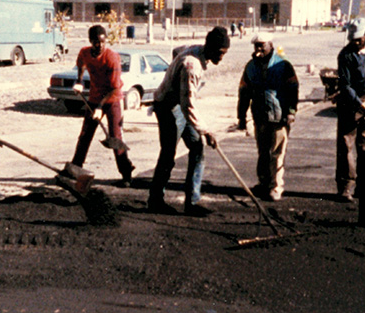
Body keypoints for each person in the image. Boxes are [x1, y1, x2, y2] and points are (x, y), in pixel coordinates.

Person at [148, 26, 230, 217]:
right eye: (219, 53)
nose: (221, 58)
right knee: (168, 155)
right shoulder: (191, 66)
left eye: (224, 54)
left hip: (180, 105)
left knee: (197, 148)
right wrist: (206, 131)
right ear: (209, 47)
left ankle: (192, 202)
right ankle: (155, 201)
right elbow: (189, 107)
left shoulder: (197, 51)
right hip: (168, 107)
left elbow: (177, 51)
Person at [237, 33, 299, 201]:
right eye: (256, 45)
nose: (258, 48)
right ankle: (263, 183)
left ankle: (276, 186)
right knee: (263, 152)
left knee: (277, 154)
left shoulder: (283, 65)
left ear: (270, 44)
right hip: (260, 116)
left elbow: (293, 89)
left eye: (261, 45)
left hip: (280, 117)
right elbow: (244, 92)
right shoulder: (250, 67)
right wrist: (241, 117)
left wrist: (291, 112)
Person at [71, 25, 135, 187]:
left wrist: (100, 107)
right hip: (93, 98)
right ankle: (75, 169)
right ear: (90, 41)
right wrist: (79, 82)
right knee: (85, 135)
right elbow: (81, 64)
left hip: (112, 99)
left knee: (114, 136)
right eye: (96, 42)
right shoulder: (85, 52)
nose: (99, 46)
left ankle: (126, 173)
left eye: (102, 42)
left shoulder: (111, 58)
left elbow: (114, 87)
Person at [336, 17, 365, 203]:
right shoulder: (345, 56)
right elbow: (345, 87)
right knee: (346, 145)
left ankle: (364, 186)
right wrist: (362, 107)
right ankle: (345, 187)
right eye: (352, 39)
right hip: (351, 102)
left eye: (358, 39)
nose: (355, 42)